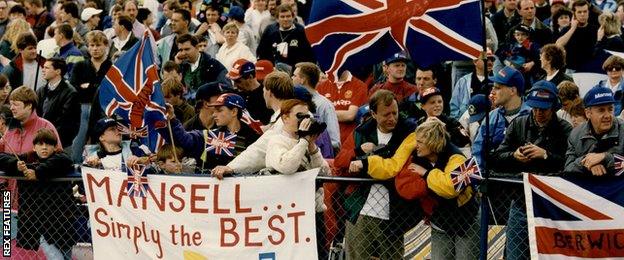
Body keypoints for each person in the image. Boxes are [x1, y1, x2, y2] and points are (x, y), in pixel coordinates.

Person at [491, 81, 572, 259]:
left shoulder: (566, 129)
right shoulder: (519, 124)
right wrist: (514, 155)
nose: (538, 113)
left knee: (552, 255)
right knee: (515, 255)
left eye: (543, 109)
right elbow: (496, 159)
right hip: (522, 200)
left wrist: (546, 155)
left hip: (552, 202)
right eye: (535, 108)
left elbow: (571, 165)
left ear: (553, 107)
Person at [334, 89, 417, 260]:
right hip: (360, 210)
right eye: (386, 114)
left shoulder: (408, 133)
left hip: (394, 214)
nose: (392, 118)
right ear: (373, 114)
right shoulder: (361, 132)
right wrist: (358, 151)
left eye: (395, 113)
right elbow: (339, 160)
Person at [394, 118, 479, 260]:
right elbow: (403, 187)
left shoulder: (457, 156)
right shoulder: (417, 156)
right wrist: (428, 186)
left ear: (432, 143)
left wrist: (426, 175)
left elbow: (451, 189)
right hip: (439, 222)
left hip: (467, 221)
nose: (416, 145)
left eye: (420, 142)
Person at [0, 128, 76, 260]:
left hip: (62, 221)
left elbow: (63, 160)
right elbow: (2, 157)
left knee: (66, 255)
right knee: (56, 258)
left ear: (54, 147)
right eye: (40, 144)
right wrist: (15, 164)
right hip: (39, 222)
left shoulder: (61, 157)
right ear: (34, 147)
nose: (44, 147)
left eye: (48, 144)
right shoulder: (28, 158)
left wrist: (37, 172)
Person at [211, 71, 294, 177]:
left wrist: (231, 167)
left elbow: (259, 151)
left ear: (269, 93)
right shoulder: (286, 116)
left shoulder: (285, 120)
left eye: (264, 90)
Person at [161, 93, 260, 172]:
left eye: (219, 111)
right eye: (214, 111)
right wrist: (173, 120)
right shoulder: (211, 136)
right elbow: (184, 139)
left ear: (234, 112)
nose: (214, 115)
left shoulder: (254, 139)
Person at [472, 66, 530, 169]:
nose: (492, 92)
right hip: (495, 179)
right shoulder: (491, 117)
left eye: (497, 88)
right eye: (493, 87)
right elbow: (477, 153)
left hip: (524, 180)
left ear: (513, 90)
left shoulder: (533, 115)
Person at [69, 30, 113, 163]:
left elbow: (109, 89)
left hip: (104, 109)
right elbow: (74, 88)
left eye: (98, 45)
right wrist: (95, 86)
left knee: (103, 140)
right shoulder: (80, 65)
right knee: (79, 139)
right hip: (83, 107)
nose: (95, 48)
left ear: (106, 46)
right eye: (92, 45)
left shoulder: (112, 67)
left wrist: (89, 86)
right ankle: (75, 167)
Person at [565, 86, 624, 175]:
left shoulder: (622, 129)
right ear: (588, 113)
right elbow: (568, 168)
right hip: (588, 187)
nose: (607, 115)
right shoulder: (575, 134)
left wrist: (605, 157)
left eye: (610, 109)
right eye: (601, 110)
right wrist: (587, 163)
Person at [265, 98, 326, 173]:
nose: (304, 120)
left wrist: (312, 146)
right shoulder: (276, 141)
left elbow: (324, 173)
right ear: (285, 118)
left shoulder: (305, 142)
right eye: (300, 116)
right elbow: (286, 167)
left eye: (306, 117)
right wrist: (304, 141)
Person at [292, 62, 341, 150]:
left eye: (294, 76)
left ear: (303, 80)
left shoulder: (324, 105)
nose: (291, 78)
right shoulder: (291, 102)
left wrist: (313, 147)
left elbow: (335, 141)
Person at [37, 57, 80, 149]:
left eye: (47, 68)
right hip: (40, 141)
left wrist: (51, 138)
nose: (43, 70)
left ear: (58, 71)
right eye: (43, 67)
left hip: (60, 143)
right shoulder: (41, 90)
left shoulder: (70, 93)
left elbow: (67, 122)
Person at [316, 69, 368, 144]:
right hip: (326, 143)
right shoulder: (321, 87)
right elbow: (316, 115)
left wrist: (325, 112)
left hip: (349, 142)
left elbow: (350, 116)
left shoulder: (359, 86)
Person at [175, 33, 228, 100]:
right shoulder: (181, 66)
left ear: (197, 47)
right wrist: (177, 66)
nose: (183, 53)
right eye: (180, 50)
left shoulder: (214, 65)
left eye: (187, 49)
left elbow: (226, 87)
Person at [83, 118, 149, 170]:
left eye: (117, 128)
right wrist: (89, 165)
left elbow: (154, 165)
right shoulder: (93, 158)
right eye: (112, 129)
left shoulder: (134, 149)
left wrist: (140, 160)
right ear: (101, 137)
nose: (118, 131)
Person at [450, 49, 495, 119]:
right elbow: (454, 108)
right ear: (475, 61)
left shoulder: (498, 82)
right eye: (486, 60)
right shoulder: (463, 82)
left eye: (492, 60)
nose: (490, 62)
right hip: (468, 124)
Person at [556, 0, 599, 72]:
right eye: (579, 12)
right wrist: (573, 28)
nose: (582, 14)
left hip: (590, 69)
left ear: (588, 13)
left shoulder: (595, 29)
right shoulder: (567, 29)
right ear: (574, 14)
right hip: (571, 70)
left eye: (585, 11)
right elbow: (558, 45)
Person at [228, 58, 273, 124]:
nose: (235, 85)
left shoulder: (266, 96)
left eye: (238, 81)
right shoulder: (235, 95)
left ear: (250, 77)